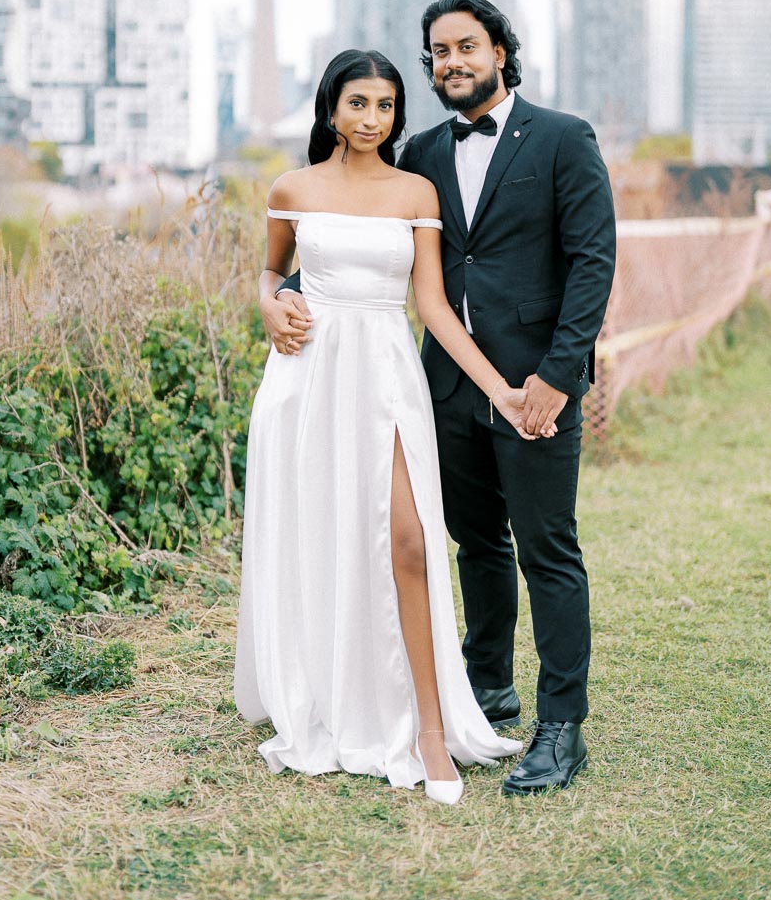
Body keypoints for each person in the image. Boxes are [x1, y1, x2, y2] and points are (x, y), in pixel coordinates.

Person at [268, 0, 616, 795]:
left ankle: (561, 727)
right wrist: (278, 295)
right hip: (437, 386)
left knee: (547, 548)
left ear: (500, 50)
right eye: (438, 52)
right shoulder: (415, 149)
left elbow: (593, 263)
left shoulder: (564, 139)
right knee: (474, 544)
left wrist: (557, 380)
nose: (451, 61)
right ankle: (487, 684)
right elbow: (346, 243)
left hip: (535, 386)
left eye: (466, 46)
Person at [234, 48, 550, 804]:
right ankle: (328, 696)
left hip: (386, 375)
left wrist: (502, 391)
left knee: (409, 541)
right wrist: (269, 305)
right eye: (357, 104)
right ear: (331, 110)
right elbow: (269, 273)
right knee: (323, 539)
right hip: (307, 380)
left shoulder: (416, 191)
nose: (371, 119)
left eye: (384, 106)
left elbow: (433, 307)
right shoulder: (292, 187)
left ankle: (431, 732)